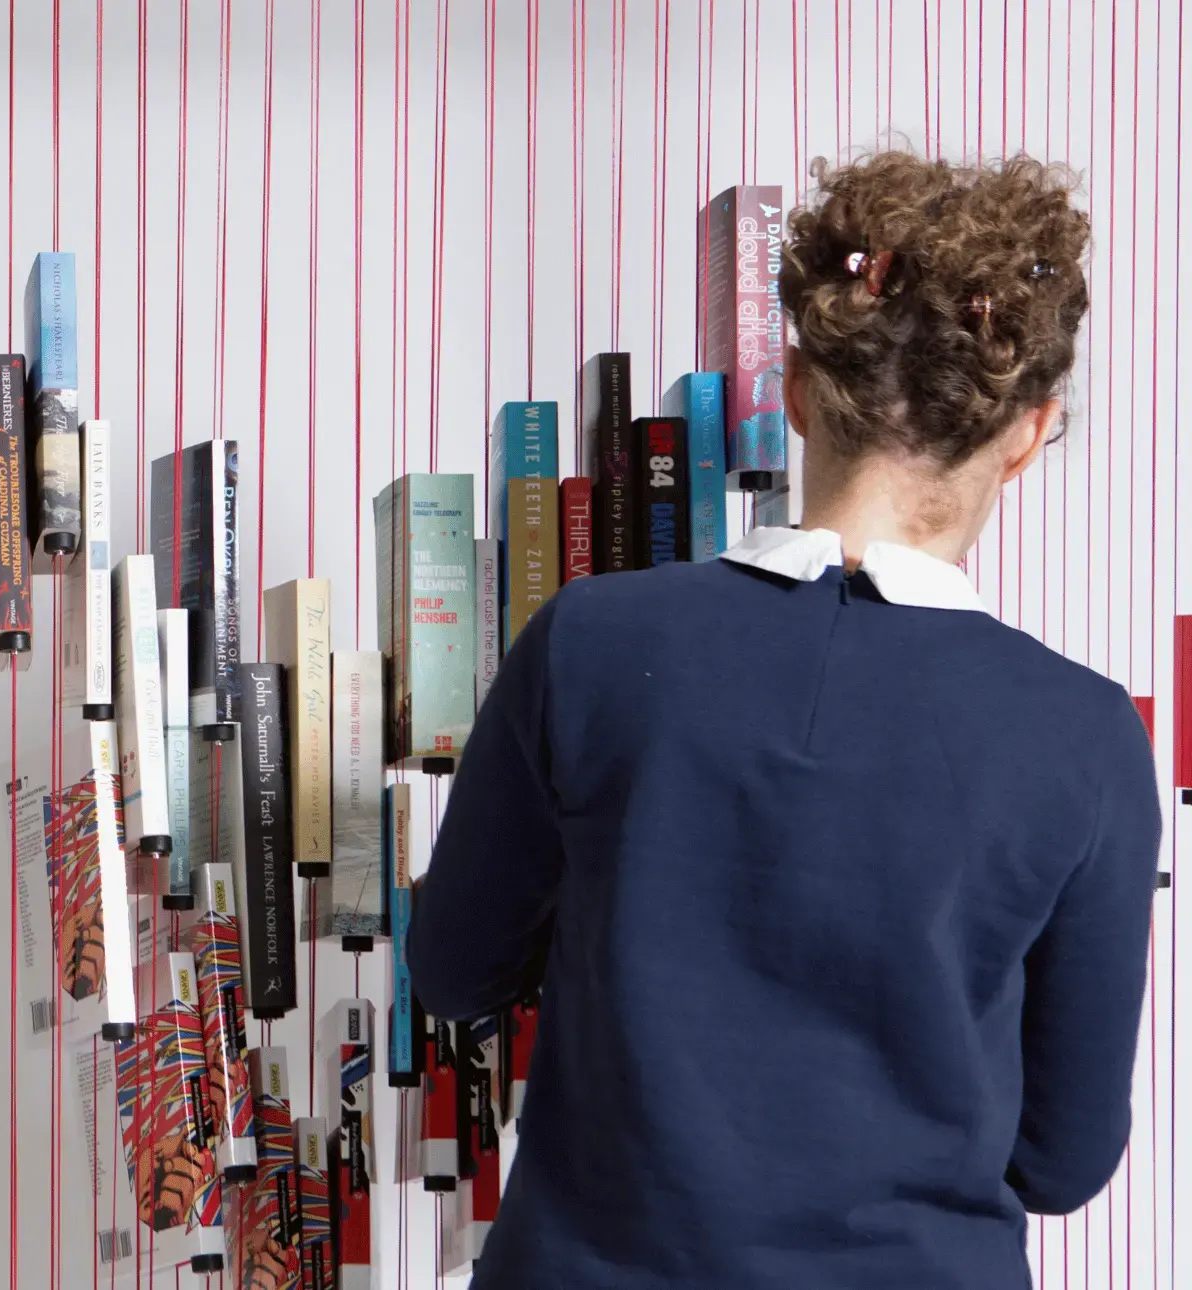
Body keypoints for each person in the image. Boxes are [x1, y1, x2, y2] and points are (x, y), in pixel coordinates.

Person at [407, 152, 1157, 1289]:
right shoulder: (1087, 738)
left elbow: (456, 968)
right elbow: (1059, 1161)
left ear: (798, 391)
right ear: (1026, 433)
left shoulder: (593, 641)